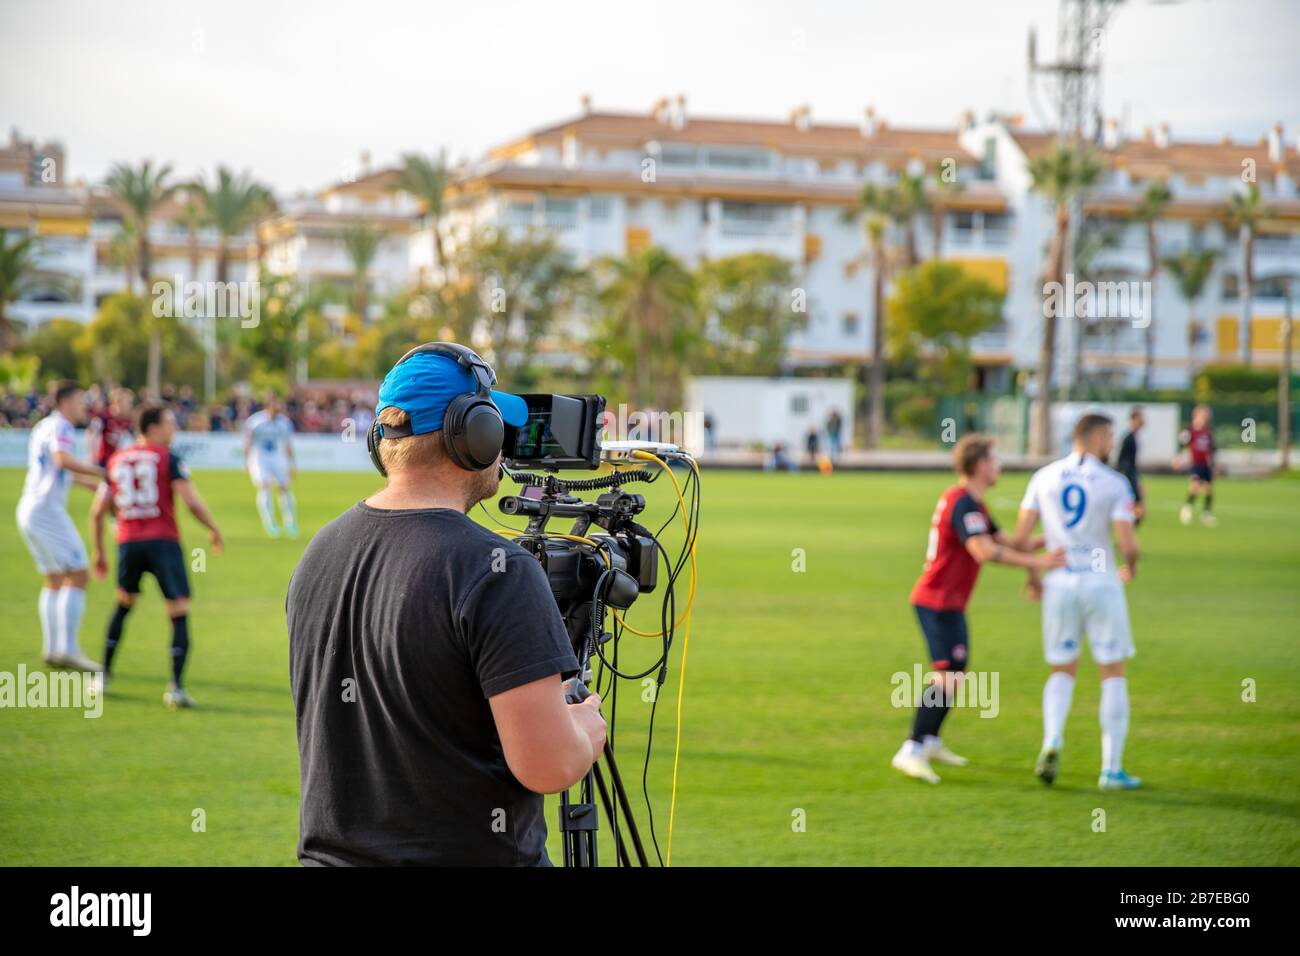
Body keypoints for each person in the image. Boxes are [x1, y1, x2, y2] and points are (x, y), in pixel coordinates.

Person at [286, 343, 606, 866]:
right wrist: (586, 725)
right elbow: (548, 766)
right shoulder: (496, 571)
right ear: (473, 435)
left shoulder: (320, 549)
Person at [892, 434, 1065, 784]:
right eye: (995, 459)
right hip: (937, 601)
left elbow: (1010, 544)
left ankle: (930, 740)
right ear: (980, 464)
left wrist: (1058, 536)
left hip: (948, 601)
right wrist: (1038, 561)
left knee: (955, 671)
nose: (998, 465)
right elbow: (984, 551)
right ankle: (911, 749)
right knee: (948, 672)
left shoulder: (975, 505)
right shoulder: (963, 505)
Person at [1011, 413, 1143, 790]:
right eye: (1110, 436)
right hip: (1100, 582)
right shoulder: (1115, 483)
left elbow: (1021, 540)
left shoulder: (1044, 476)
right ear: (1097, 436)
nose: (1112, 444)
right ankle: (1111, 769)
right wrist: (1130, 566)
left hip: (1060, 582)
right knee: (1112, 671)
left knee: (1061, 669)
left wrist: (1033, 576)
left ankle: (1052, 739)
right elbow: (1128, 544)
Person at [90, 405, 224, 707]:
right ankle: (176, 688)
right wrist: (214, 528)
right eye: (169, 423)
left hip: (128, 543)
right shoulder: (168, 459)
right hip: (163, 542)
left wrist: (99, 552)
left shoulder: (116, 459)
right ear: (152, 428)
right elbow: (191, 502)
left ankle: (103, 676)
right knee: (178, 609)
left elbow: (97, 512)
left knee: (124, 604)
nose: (173, 429)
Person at [15, 381, 104, 671]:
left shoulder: (43, 426)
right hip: (47, 511)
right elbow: (61, 460)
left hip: (30, 507)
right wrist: (103, 471)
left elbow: (52, 467)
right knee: (78, 573)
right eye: (80, 400)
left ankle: (52, 648)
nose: (84, 406)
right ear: (65, 401)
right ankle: (69, 649)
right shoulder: (63, 426)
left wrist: (86, 483)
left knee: (54, 578)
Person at [243, 392, 298, 538]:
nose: (278, 407)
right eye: (275, 404)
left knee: (284, 489)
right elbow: (248, 442)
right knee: (264, 486)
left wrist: (292, 464)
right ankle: (270, 523)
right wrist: (247, 461)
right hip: (260, 459)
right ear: (268, 406)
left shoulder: (284, 422)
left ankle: (290, 523)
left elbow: (287, 444)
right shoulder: (255, 422)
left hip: (278, 458)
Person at [1179, 404, 1216, 526]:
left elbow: (1212, 449)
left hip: (1206, 465)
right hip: (1196, 464)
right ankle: (1187, 508)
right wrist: (1178, 458)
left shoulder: (1208, 431)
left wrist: (1213, 465)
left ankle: (1206, 513)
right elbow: (1182, 443)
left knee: (1208, 490)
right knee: (1194, 486)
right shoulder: (1190, 430)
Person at [89, 387, 134, 471]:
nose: (130, 405)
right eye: (127, 402)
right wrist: (93, 457)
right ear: (117, 402)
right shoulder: (103, 417)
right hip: (104, 461)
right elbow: (92, 435)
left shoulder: (128, 421)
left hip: (120, 462)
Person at [1115, 406, 1145, 525]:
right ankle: (1125, 540)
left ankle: (1124, 540)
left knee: (1138, 511)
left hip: (1131, 476)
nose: (1143, 421)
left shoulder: (1133, 437)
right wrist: (1130, 480)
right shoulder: (1128, 438)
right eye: (1140, 418)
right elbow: (1122, 461)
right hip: (1128, 476)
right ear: (1133, 420)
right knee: (1138, 510)